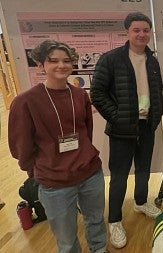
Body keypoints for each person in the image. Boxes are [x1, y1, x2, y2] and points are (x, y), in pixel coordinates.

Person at [8, 40, 107, 253]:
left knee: (96, 220)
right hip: (54, 182)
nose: (61, 65)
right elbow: (20, 145)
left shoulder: (80, 95)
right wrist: (36, 170)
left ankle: (99, 249)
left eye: (66, 61)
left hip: (90, 172)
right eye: (53, 61)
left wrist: (84, 155)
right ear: (40, 64)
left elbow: (85, 134)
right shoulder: (25, 101)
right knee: (66, 236)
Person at [90, 12, 163, 249]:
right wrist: (118, 117)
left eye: (145, 30)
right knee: (119, 175)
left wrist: (156, 116)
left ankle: (141, 201)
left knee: (144, 168)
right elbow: (97, 93)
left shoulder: (152, 60)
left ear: (150, 32)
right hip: (122, 128)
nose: (141, 34)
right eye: (136, 30)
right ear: (127, 32)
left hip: (147, 125)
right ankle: (114, 220)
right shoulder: (111, 59)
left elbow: (157, 90)